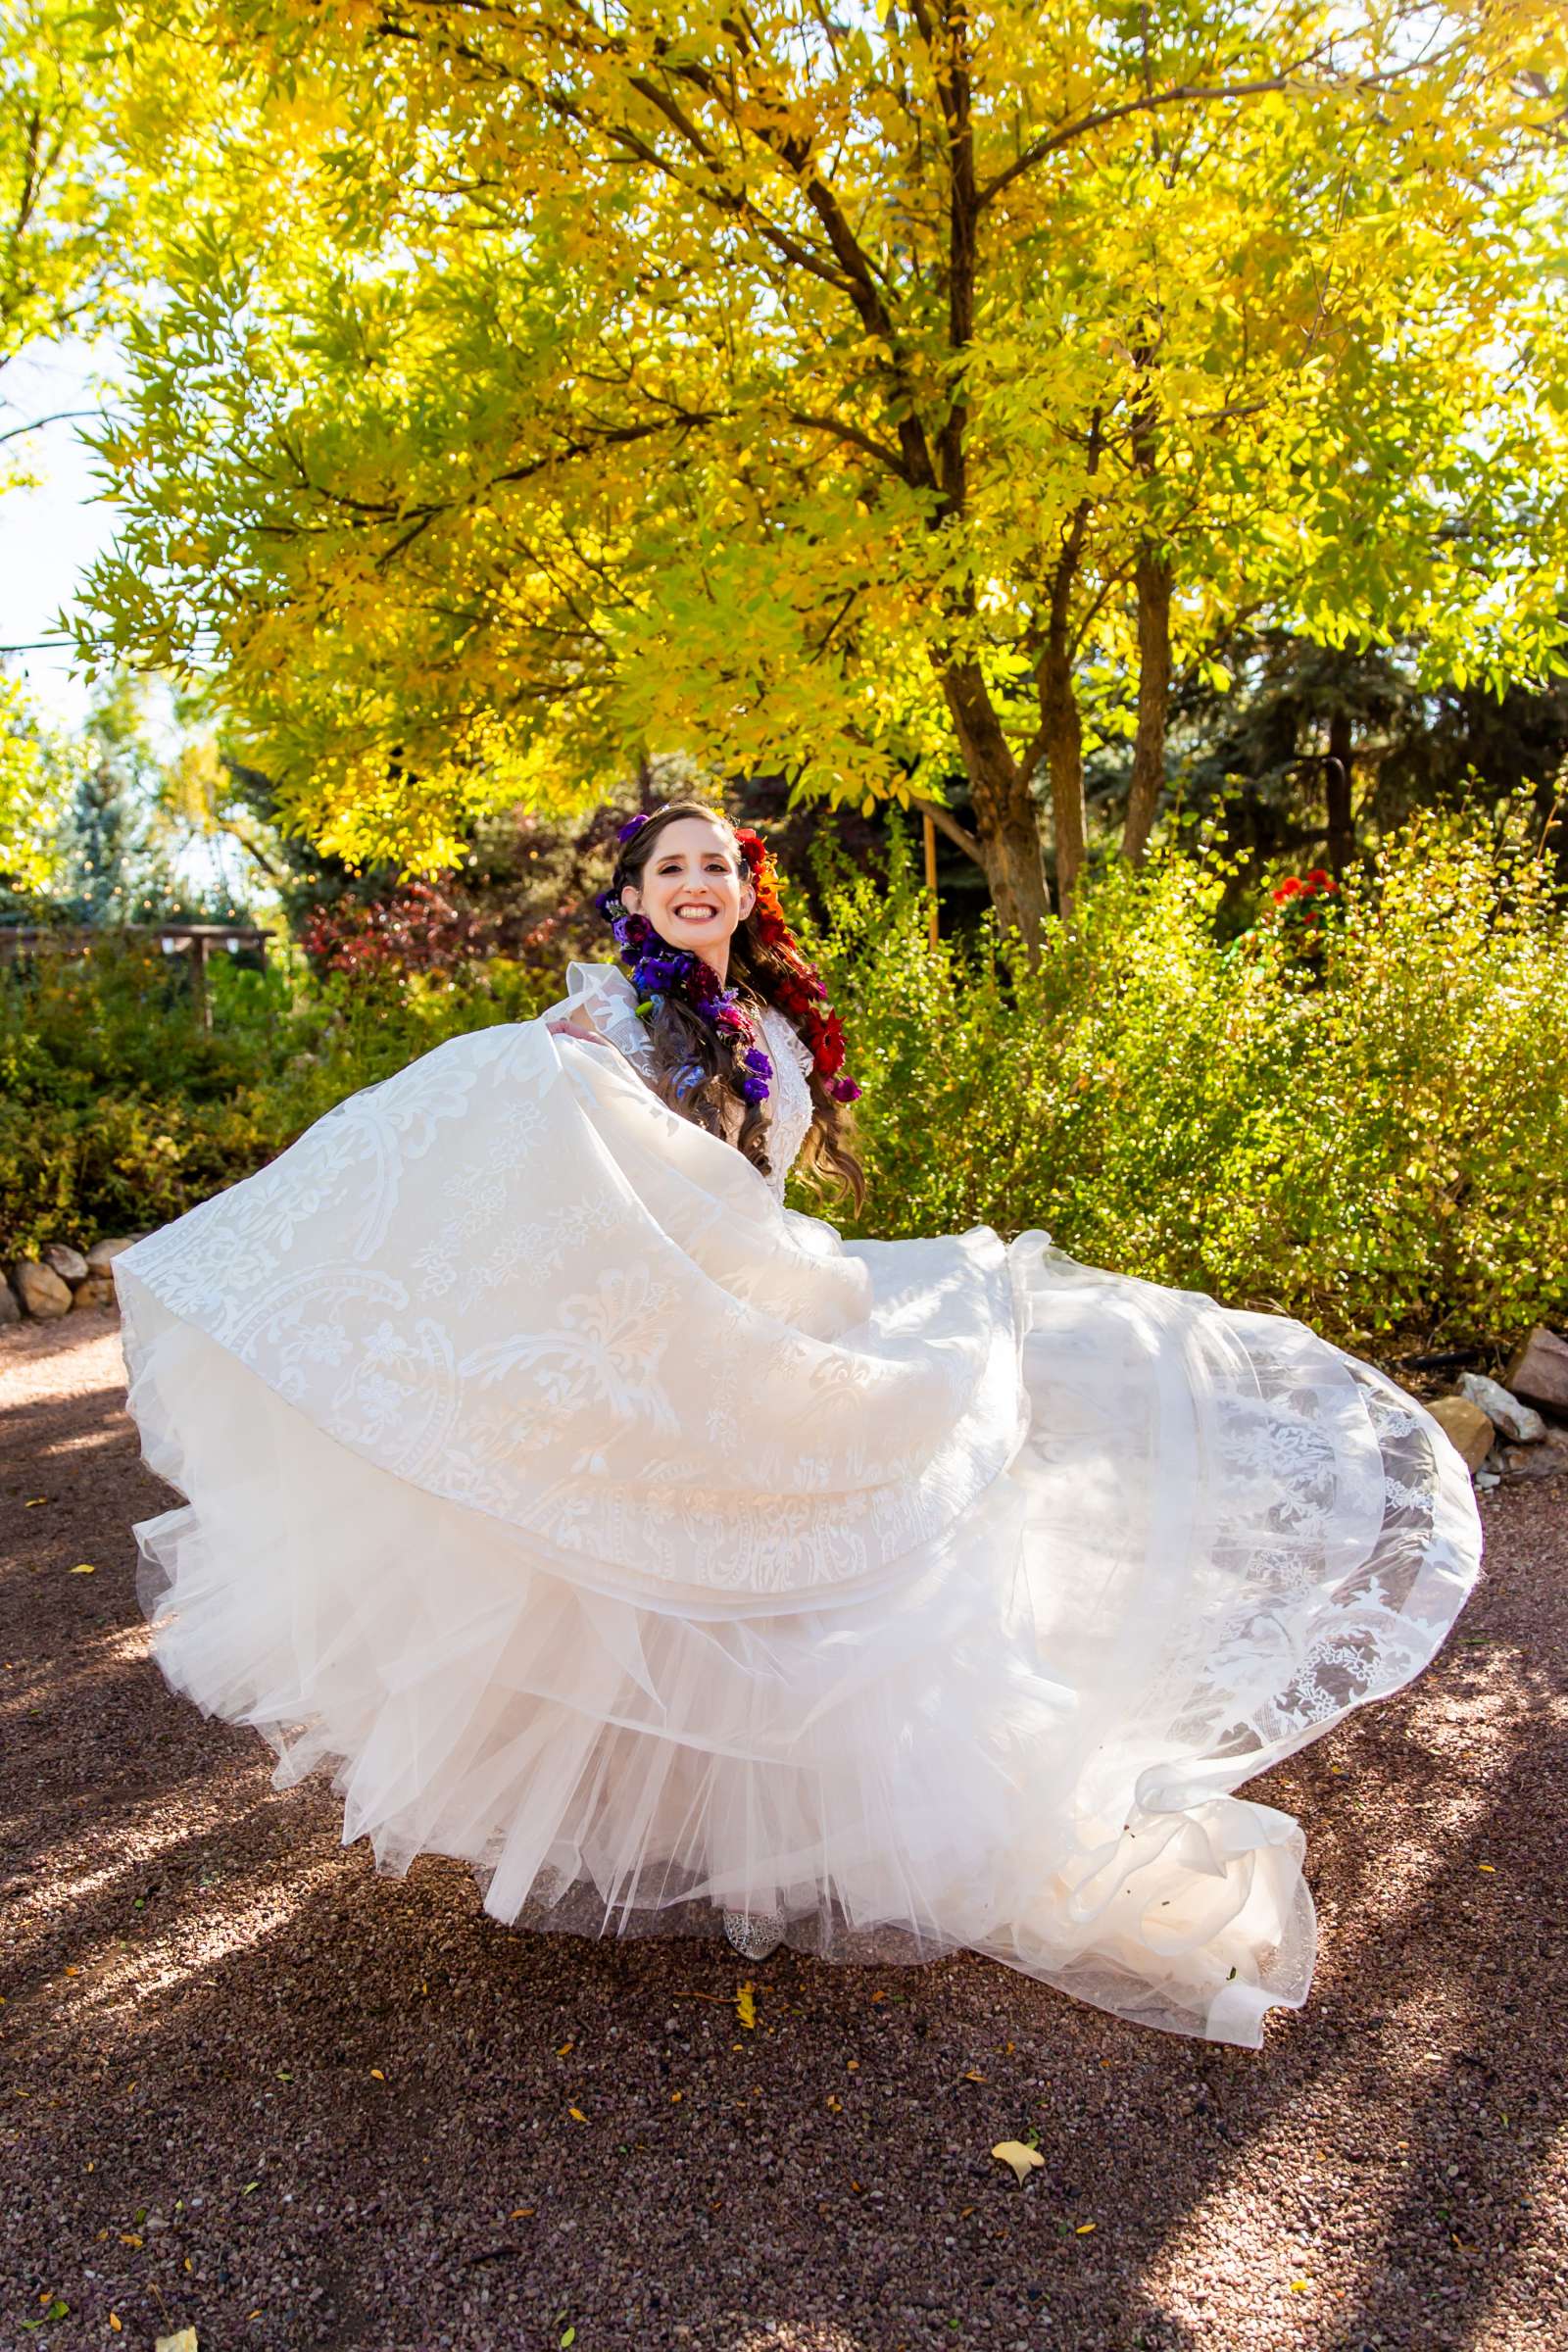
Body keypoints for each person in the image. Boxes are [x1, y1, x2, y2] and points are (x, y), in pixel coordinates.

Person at [113, 801, 1483, 2047]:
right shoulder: (596, 1031)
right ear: (634, 901)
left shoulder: (769, 1029)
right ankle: (662, 1822)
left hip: (759, 1313)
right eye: (672, 868)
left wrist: (791, 1285)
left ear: (744, 892)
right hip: (670, 1332)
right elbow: (539, 1153)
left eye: (719, 865)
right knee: (651, 1563)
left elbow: (754, 1196)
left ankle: (790, 1825)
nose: (698, 882)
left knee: (831, 1524)